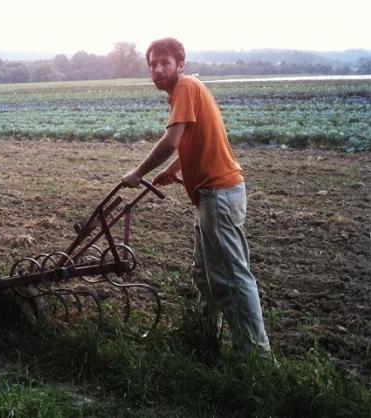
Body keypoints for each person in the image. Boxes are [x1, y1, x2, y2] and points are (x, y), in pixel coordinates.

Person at [121, 37, 271, 357]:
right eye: (152, 64)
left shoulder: (186, 87)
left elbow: (171, 139)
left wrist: (139, 172)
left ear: (180, 65)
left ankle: (257, 358)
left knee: (231, 275)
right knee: (204, 275)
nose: (158, 69)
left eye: (165, 63)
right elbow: (193, 137)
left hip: (219, 194)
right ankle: (205, 340)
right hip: (210, 195)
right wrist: (176, 170)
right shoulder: (183, 92)